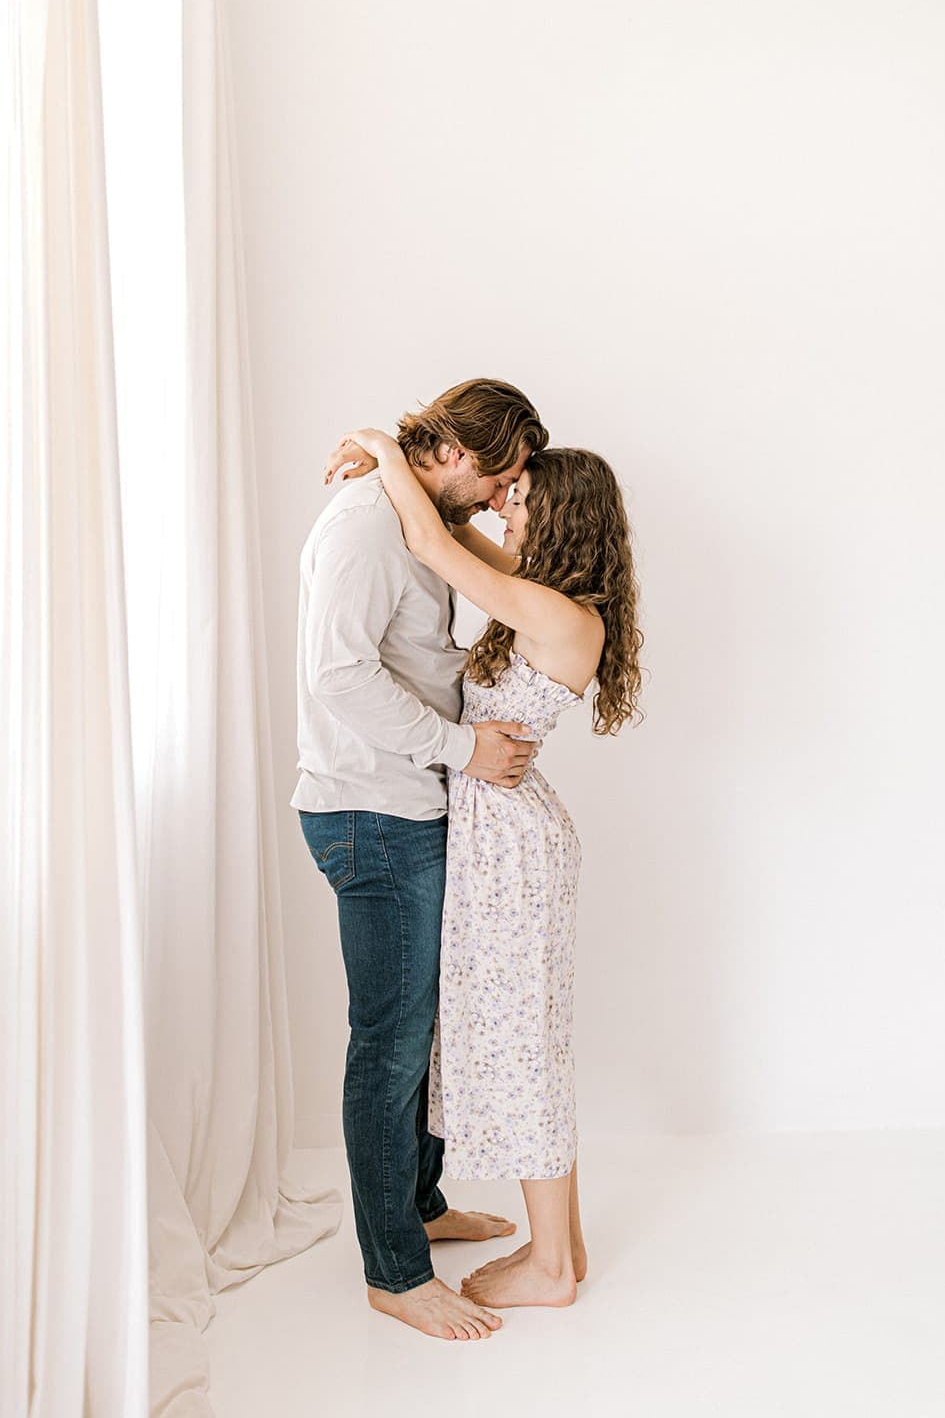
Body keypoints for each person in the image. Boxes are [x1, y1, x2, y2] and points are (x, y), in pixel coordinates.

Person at [324, 427, 643, 1310]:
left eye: (521, 497)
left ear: (562, 519)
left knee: (523, 1049)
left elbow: (432, 541)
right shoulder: (539, 596)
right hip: (502, 831)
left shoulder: (556, 614)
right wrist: (404, 478)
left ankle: (546, 1271)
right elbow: (448, 531)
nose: (502, 504)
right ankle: (563, 1248)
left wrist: (384, 450)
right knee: (525, 1041)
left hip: (510, 845)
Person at [294, 378, 549, 1341]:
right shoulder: (364, 524)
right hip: (371, 814)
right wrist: (464, 750)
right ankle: (393, 1272)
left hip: (409, 806)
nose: (497, 497)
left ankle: (423, 1209)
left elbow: (444, 622)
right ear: (451, 453)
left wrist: (383, 447)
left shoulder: (407, 502)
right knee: (390, 1043)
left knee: (427, 1034)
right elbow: (338, 672)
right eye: (498, 477)